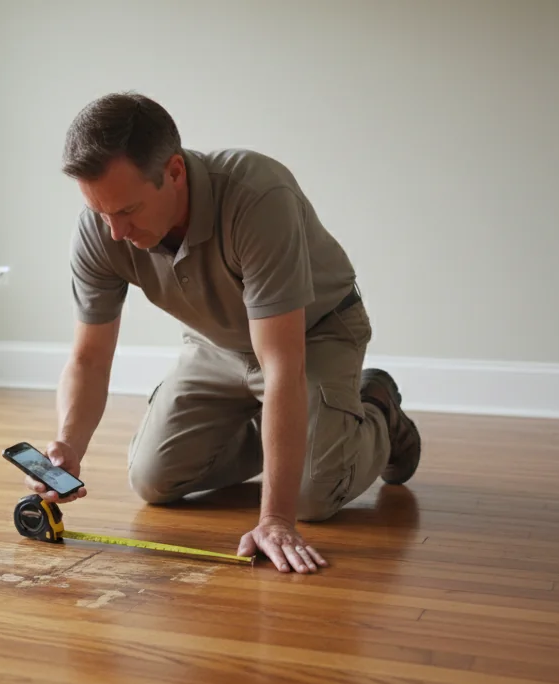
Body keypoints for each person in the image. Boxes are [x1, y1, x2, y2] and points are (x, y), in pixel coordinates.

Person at [22, 92, 421, 574]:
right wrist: (69, 445)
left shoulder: (257, 197)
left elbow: (283, 366)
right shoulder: (100, 230)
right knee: (154, 481)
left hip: (314, 336)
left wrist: (275, 518)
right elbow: (89, 358)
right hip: (216, 346)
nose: (114, 233)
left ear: (173, 171)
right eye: (100, 211)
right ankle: (299, 433)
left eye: (127, 211)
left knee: (312, 497)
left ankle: (377, 406)